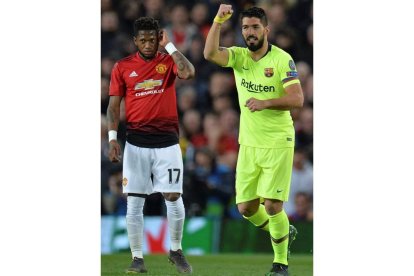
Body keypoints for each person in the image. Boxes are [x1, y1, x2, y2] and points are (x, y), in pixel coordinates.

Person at [204, 5, 304, 276]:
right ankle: (282, 230)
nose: (250, 32)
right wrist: (217, 21)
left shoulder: (283, 60)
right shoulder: (239, 57)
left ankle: (280, 263)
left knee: (272, 205)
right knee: (246, 208)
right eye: (246, 27)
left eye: (255, 27)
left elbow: (297, 99)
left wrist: (266, 102)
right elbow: (210, 53)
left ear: (266, 30)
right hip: (248, 143)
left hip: (278, 140)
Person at [106, 17, 195, 274]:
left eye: (152, 39)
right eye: (142, 40)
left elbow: (188, 72)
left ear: (159, 37)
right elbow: (113, 106)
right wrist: (113, 138)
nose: (147, 44)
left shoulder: (167, 61)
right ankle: (137, 258)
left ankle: (176, 249)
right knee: (134, 202)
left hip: (167, 143)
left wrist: (171, 47)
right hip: (135, 144)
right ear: (135, 40)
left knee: (173, 196)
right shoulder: (122, 67)